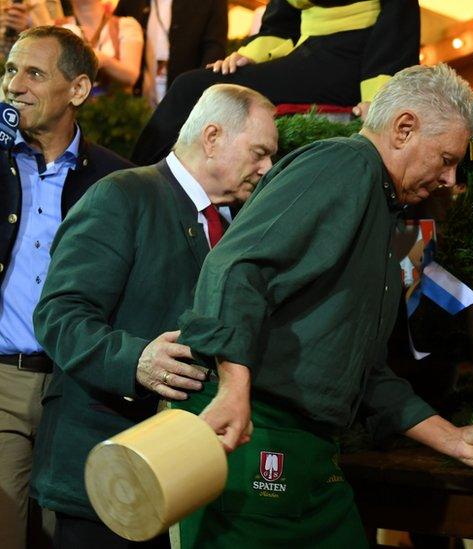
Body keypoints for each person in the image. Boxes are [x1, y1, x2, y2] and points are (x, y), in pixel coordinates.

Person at [173, 63, 473, 547]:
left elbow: (364, 368)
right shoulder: (345, 165)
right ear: (404, 128)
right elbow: (235, 267)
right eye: (445, 159)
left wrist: (454, 440)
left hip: (315, 455)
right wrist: (234, 387)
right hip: (256, 439)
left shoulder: (381, 204)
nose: (448, 179)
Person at [31, 83, 278, 548]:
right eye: (260, 152)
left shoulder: (228, 225)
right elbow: (59, 315)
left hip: (177, 476)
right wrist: (135, 359)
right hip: (105, 474)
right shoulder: (123, 195)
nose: (266, 169)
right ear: (212, 137)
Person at [0, 25, 132, 549]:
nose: (15, 84)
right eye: (10, 70)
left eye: (33, 72)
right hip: (4, 382)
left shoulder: (117, 181)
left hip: (79, 390)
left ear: (77, 90)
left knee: (72, 536)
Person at [128, 0, 420, 165]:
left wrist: (380, 97)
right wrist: (249, 56)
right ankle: (144, 180)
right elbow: (280, 23)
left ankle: (133, 179)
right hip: (306, 54)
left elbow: (397, 28)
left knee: (191, 87)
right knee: (194, 86)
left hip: (350, 62)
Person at [113, 0, 228, 106]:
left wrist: (198, 97)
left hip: (186, 101)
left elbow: (214, 50)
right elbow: (113, 32)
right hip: (136, 102)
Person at [56, 0, 143, 93]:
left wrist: (104, 61)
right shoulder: (56, 29)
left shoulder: (125, 25)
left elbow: (131, 76)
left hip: (116, 105)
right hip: (73, 106)